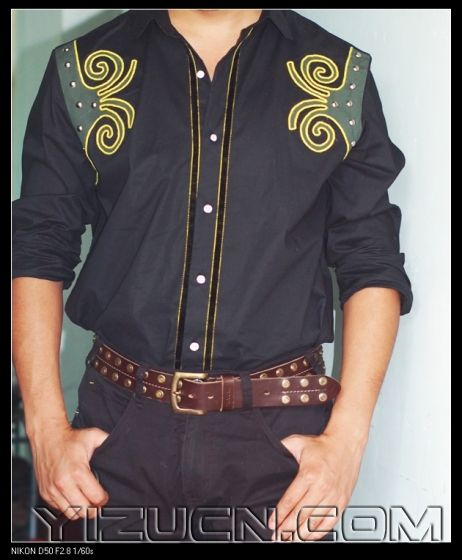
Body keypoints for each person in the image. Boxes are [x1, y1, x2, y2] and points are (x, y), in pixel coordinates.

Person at [12, 9, 412, 542]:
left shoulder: (337, 74)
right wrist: (44, 430)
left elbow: (372, 260)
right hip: (115, 438)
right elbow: (37, 246)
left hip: (277, 448)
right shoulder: (85, 69)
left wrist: (347, 442)